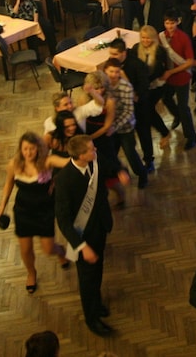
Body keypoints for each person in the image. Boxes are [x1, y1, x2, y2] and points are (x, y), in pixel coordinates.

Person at [0, 132, 71, 294]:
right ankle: (31, 273)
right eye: (25, 149)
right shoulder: (14, 164)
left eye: (32, 149)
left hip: (44, 211)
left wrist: (81, 153)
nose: (28, 153)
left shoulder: (47, 161)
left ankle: (60, 251)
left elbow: (68, 163)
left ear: (38, 149)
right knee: (26, 249)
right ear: (20, 149)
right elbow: (8, 185)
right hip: (23, 211)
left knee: (48, 249)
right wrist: (2, 207)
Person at [53, 135, 115, 336]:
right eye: (90, 149)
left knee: (98, 270)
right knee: (87, 279)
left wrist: (121, 172)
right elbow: (63, 220)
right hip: (83, 237)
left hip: (100, 227)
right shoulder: (64, 180)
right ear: (80, 156)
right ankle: (91, 318)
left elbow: (109, 166)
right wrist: (81, 246)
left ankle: (96, 303)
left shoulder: (94, 160)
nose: (95, 150)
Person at [159, 9, 196, 150]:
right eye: (167, 23)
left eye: (172, 23)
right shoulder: (161, 36)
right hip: (168, 77)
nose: (169, 26)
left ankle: (191, 137)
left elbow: (189, 62)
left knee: (183, 107)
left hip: (181, 76)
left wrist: (171, 72)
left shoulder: (184, 38)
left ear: (178, 22)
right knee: (166, 99)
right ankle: (177, 116)